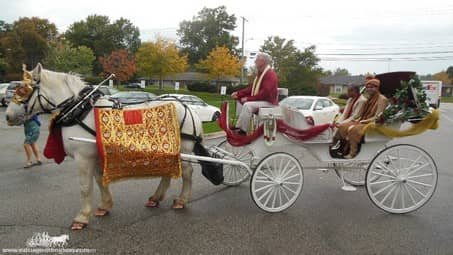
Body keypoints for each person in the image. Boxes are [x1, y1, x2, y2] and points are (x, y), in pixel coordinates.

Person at [337, 78, 388, 159]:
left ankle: (353, 152)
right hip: (363, 121)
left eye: (372, 87)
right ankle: (345, 147)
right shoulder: (369, 98)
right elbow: (361, 113)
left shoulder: (382, 99)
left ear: (377, 88)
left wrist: (364, 121)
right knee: (343, 126)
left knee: (353, 129)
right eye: (367, 87)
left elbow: (377, 117)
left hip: (373, 123)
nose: (369, 89)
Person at [231, 53, 278, 135]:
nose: (255, 61)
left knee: (247, 105)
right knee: (240, 102)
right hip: (263, 100)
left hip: (269, 102)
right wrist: (238, 94)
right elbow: (251, 88)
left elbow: (265, 93)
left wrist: (248, 99)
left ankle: (242, 130)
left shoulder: (270, 74)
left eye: (257, 60)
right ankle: (239, 126)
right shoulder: (260, 74)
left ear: (262, 62)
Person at [331, 84, 367, 150]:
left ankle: (338, 145)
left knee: (340, 127)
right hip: (348, 120)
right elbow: (345, 113)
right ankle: (336, 145)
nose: (347, 93)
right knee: (334, 124)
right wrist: (339, 121)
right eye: (348, 91)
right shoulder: (350, 99)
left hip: (356, 121)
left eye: (349, 91)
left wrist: (342, 123)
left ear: (355, 91)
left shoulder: (362, 100)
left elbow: (356, 116)